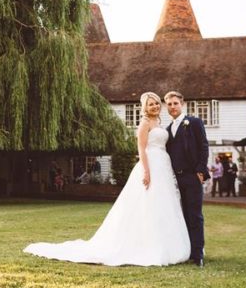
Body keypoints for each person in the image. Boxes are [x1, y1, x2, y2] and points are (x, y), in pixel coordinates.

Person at [24, 92, 191, 266]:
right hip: (150, 165)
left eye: (157, 103)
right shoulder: (144, 124)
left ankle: (168, 244)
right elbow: (141, 150)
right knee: (147, 203)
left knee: (164, 203)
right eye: (151, 104)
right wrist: (147, 172)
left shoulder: (159, 123)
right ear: (145, 108)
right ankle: (148, 246)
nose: (155, 106)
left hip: (163, 165)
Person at [164, 90, 210, 267]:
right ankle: (187, 250)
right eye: (169, 104)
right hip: (175, 180)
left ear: (182, 104)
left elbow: (204, 146)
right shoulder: (168, 130)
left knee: (195, 215)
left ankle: (198, 254)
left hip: (192, 176)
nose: (173, 106)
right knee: (181, 216)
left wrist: (200, 170)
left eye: (175, 103)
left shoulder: (194, 122)